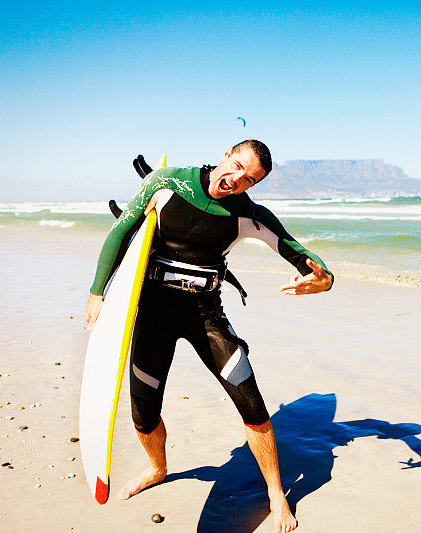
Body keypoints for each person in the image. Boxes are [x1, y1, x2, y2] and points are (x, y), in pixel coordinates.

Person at [85, 140, 333, 533]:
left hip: (205, 316)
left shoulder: (249, 215)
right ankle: (158, 468)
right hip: (154, 315)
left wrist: (323, 280)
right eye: (235, 166)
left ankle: (275, 493)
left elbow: (301, 255)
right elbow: (120, 232)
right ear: (224, 154)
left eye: (249, 179)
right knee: (143, 411)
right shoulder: (167, 184)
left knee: (251, 402)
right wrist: (98, 291)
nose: (235, 180)